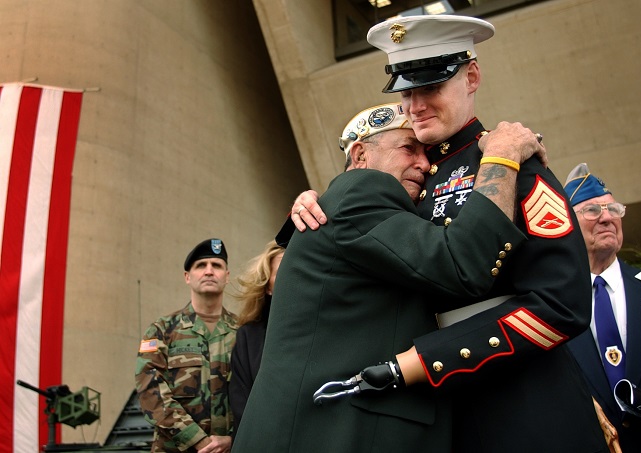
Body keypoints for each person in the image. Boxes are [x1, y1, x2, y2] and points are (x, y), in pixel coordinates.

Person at [294, 15, 608, 453]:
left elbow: (563, 302)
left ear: (472, 76)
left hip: (522, 403)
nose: (415, 105)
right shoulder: (406, 177)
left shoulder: (513, 162)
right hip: (429, 418)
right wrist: (312, 204)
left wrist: (428, 359)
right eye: (406, 91)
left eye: (431, 87)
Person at [232, 101, 546, 453]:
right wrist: (502, 156)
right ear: (361, 155)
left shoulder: (349, 204)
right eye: (408, 148)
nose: (425, 165)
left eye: (426, 153)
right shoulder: (361, 191)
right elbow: (464, 264)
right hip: (332, 433)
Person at [565, 163, 641, 453]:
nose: (607, 218)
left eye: (613, 209)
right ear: (568, 225)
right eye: (591, 211)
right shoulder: (550, 304)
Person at [135, 238, 237, 453]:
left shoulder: (244, 332)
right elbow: (151, 393)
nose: (209, 271)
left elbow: (258, 393)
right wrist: (199, 441)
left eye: (216, 265)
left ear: (227, 277)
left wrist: (233, 439)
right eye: (201, 265)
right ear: (187, 277)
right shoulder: (161, 330)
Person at [229, 240, 285, 440]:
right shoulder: (248, 337)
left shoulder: (324, 331)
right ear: (267, 287)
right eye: (282, 273)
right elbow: (241, 405)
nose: (291, 279)